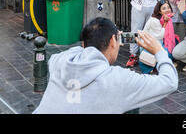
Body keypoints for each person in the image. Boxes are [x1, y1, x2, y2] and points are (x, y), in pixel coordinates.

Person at [33, 17, 178, 114]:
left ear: (84, 44)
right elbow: (170, 82)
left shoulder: (59, 61)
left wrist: (110, 40)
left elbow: (82, 49)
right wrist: (159, 51)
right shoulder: (118, 79)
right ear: (113, 41)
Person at [139, 0, 180, 74]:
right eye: (164, 8)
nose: (167, 10)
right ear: (159, 12)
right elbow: (160, 36)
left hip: (158, 41)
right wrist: (166, 23)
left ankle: (165, 62)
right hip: (150, 43)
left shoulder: (163, 18)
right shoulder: (154, 21)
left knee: (174, 41)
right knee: (166, 52)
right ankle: (155, 66)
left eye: (168, 7)